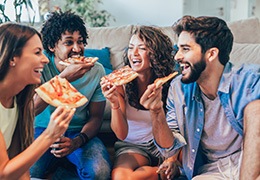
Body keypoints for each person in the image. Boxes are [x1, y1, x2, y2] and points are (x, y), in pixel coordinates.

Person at [140, 15, 260, 179]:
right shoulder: (178, 88)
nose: (177, 57)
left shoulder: (249, 80)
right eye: (178, 49)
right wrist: (156, 112)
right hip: (213, 170)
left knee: (256, 109)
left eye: (186, 49)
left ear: (211, 54)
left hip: (251, 162)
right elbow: (170, 149)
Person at [30, 11, 111, 179]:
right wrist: (63, 78)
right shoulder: (40, 65)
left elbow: (96, 117)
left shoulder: (96, 70)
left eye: (80, 42)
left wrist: (77, 142)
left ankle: (63, 168)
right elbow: (32, 109)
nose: (77, 49)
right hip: (41, 130)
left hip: (77, 131)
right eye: (68, 42)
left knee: (100, 172)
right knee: (28, 172)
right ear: (52, 46)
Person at [100, 25, 179, 180]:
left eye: (141, 48)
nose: (133, 54)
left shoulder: (170, 83)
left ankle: (169, 168)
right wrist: (114, 103)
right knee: (121, 178)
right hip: (133, 145)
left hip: (168, 143)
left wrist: (172, 158)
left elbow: (180, 129)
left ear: (156, 53)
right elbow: (121, 134)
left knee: (190, 164)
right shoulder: (121, 83)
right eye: (130, 48)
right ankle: (161, 172)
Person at [0, 22, 75, 179]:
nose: (45, 59)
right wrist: (50, 135)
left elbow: (17, 166)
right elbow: (4, 173)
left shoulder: (18, 100)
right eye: (37, 52)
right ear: (12, 57)